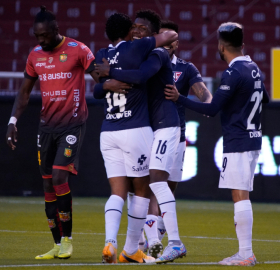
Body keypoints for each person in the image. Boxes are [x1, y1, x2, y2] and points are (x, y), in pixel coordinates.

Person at [164, 22, 269, 266]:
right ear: (242, 44)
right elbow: (265, 97)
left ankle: (246, 253)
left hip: (238, 139)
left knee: (240, 195)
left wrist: (180, 98)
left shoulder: (233, 72)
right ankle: (245, 252)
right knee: (242, 193)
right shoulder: (253, 67)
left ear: (221, 46)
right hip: (253, 137)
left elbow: (211, 109)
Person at [5, 6, 98, 260]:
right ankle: (56, 244)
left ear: (56, 31)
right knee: (47, 183)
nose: (41, 40)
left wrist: (112, 80)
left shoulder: (78, 49)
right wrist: (13, 120)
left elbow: (97, 74)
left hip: (73, 124)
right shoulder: (35, 55)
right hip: (46, 127)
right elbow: (24, 92)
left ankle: (68, 240)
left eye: (45, 35)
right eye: (37, 36)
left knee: (59, 178)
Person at [96, 9, 187, 264]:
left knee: (149, 185)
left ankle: (161, 242)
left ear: (154, 34)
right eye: (134, 27)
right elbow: (96, 86)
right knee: (142, 189)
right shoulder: (134, 51)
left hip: (160, 126)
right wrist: (105, 82)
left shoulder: (154, 52)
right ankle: (133, 246)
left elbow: (139, 76)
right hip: (141, 128)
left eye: (142, 29)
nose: (137, 31)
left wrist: (108, 77)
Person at [141, 19, 212, 253]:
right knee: (153, 186)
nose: (165, 42)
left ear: (176, 42)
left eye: (169, 38)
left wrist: (181, 97)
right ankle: (150, 241)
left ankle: (151, 237)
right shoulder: (149, 64)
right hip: (149, 132)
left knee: (167, 190)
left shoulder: (186, 68)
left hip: (177, 135)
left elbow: (207, 99)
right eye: (160, 37)